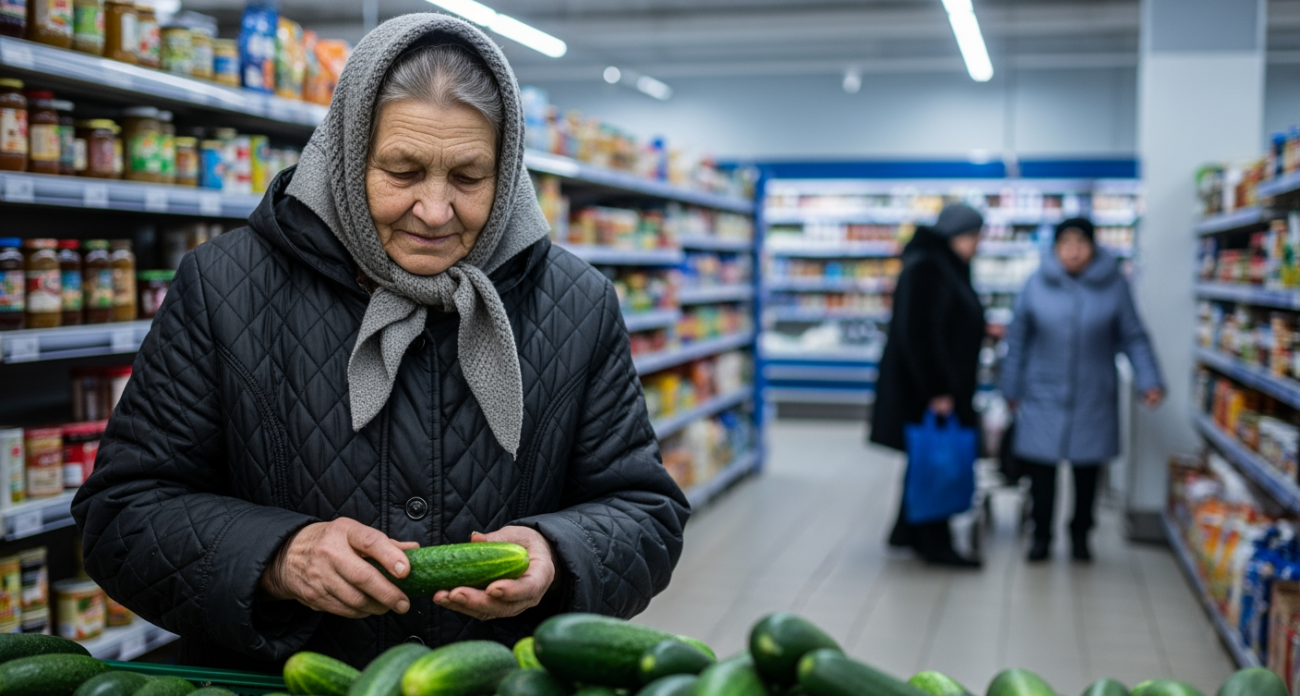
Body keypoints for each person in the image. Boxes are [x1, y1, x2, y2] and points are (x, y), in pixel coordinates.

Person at [71, 14, 689, 671]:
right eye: (402, 170)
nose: (435, 210)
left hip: (499, 682)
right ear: (347, 154)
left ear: (507, 172)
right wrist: (277, 557)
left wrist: (560, 556)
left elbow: (646, 512)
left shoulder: (577, 302)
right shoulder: (225, 286)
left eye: (469, 177)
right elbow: (121, 515)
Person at [1000, 217, 1164, 563]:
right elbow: (1018, 340)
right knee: (1041, 472)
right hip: (1043, 393)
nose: (1073, 252)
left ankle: (1080, 535)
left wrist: (1149, 380)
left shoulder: (1114, 286)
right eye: (1066, 244)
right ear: (1055, 248)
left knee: (1087, 472)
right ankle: (1041, 535)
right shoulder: (1035, 284)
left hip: (1093, 394)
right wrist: (1010, 387)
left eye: (1081, 244)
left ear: (1093, 248)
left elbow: (1133, 336)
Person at [871, 203, 986, 568]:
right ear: (955, 234)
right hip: (928, 390)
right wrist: (938, 390)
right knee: (938, 460)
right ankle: (936, 541)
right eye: (973, 236)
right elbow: (920, 333)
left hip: (932, 386)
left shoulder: (943, 264)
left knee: (925, 456)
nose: (977, 244)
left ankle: (906, 530)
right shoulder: (929, 267)